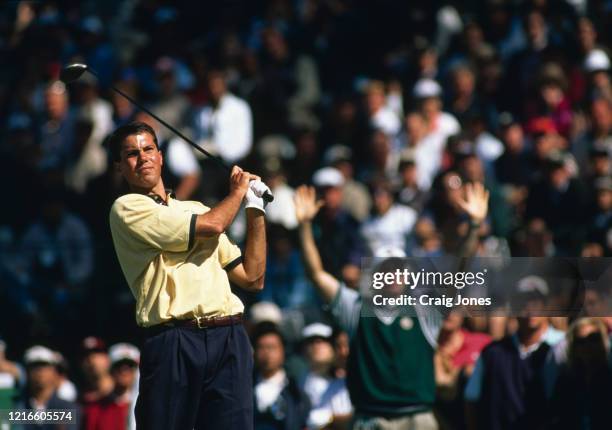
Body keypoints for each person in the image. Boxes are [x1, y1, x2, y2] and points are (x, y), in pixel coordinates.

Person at [108, 121, 267, 429]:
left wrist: (255, 207)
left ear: (161, 156)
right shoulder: (126, 208)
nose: (142, 158)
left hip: (228, 336)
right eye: (131, 154)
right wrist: (237, 192)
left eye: (148, 149)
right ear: (119, 166)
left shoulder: (195, 206)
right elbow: (213, 225)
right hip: (173, 340)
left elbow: (252, 277)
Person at [293, 182, 489, 430]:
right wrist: (304, 226)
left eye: (398, 269)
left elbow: (459, 269)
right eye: (386, 269)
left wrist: (473, 226)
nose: (393, 275)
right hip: (373, 419)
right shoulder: (355, 309)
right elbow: (317, 274)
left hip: (418, 418)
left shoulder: (425, 310)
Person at [252, 322, 310, 430]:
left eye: (272, 347)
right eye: (261, 347)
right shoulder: (245, 389)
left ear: (283, 351)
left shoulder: (296, 392)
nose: (267, 353)